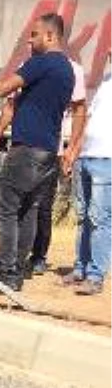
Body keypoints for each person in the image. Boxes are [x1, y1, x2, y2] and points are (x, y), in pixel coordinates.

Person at [0, 13, 75, 293]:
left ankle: (6, 272)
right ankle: (16, 273)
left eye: (34, 35)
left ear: (50, 36)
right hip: (47, 150)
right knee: (28, 211)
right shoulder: (66, 69)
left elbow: (0, 89)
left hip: (27, 149)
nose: (29, 41)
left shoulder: (41, 63)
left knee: (6, 209)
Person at [27, 56, 88, 274]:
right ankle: (11, 253)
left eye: (36, 35)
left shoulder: (72, 70)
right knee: (18, 204)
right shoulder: (27, 66)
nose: (30, 42)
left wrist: (71, 149)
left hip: (51, 149)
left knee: (43, 205)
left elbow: (79, 109)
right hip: (24, 146)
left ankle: (39, 256)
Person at [62, 62, 112, 295]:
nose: (110, 51)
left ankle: (95, 275)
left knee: (100, 218)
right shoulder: (107, 80)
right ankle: (80, 268)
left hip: (107, 159)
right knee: (83, 216)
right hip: (88, 155)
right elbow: (89, 120)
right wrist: (74, 151)